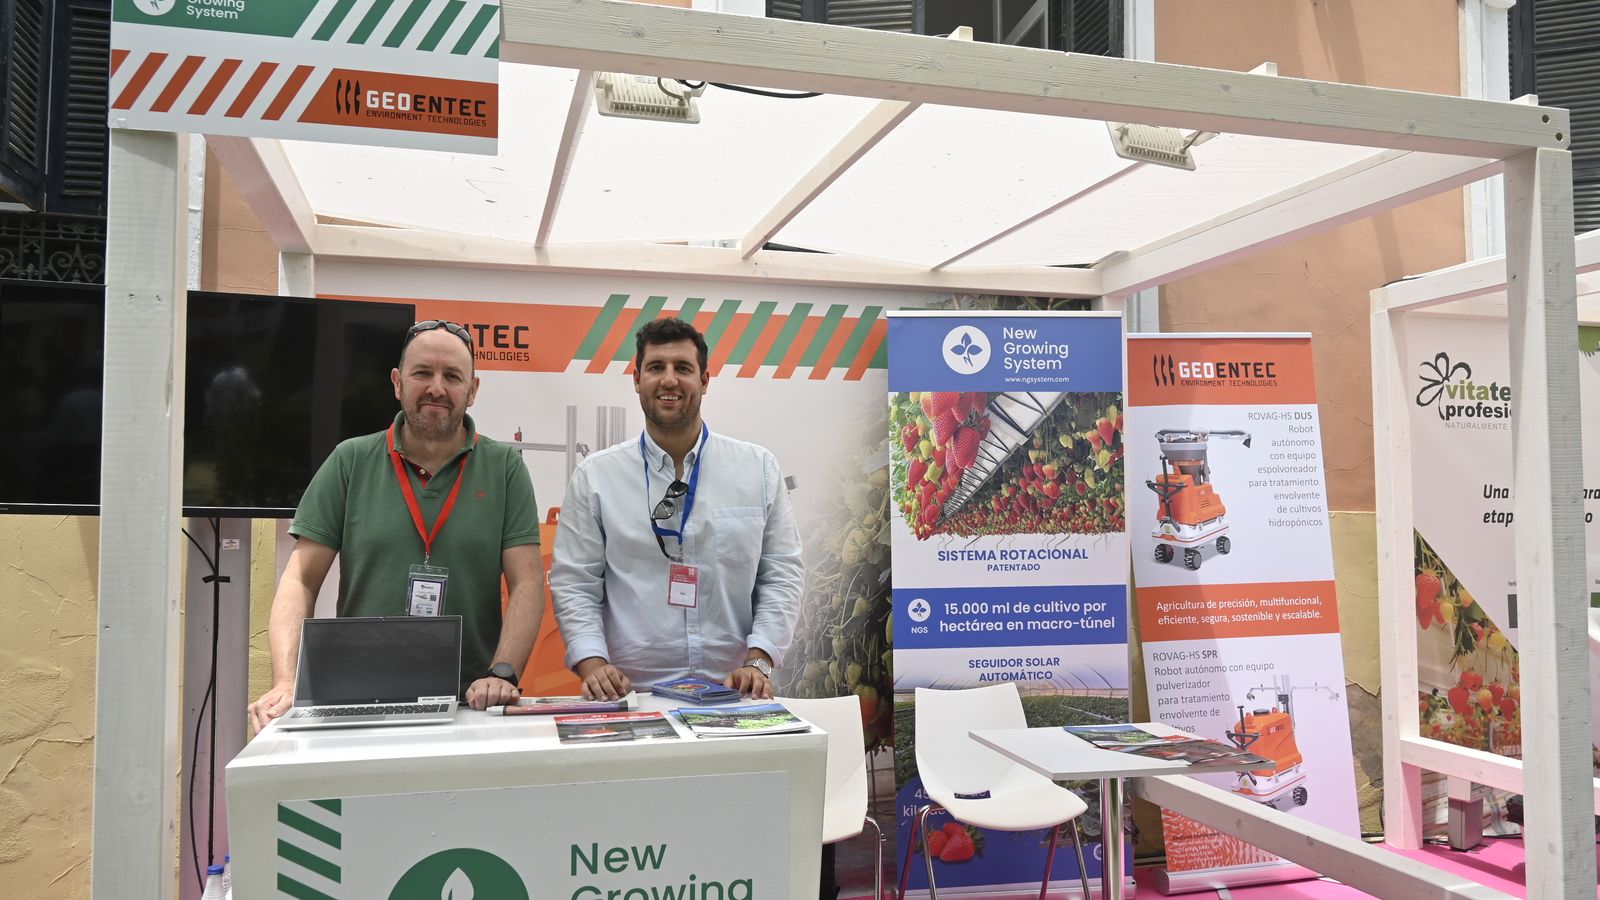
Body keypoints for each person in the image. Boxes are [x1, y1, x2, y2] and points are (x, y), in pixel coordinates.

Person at [246, 320, 544, 732]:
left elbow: (527, 582)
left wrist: (503, 674)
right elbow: (300, 579)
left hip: (468, 703)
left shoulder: (505, 468)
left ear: (472, 391)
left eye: (452, 376)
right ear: (397, 382)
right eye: (422, 372)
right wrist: (286, 680)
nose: (436, 388)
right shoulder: (350, 461)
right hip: (356, 697)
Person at [550, 317, 804, 701]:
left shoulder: (757, 468)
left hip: (734, 690)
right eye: (656, 368)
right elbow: (575, 582)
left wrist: (760, 661)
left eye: (683, 368)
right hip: (632, 695)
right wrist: (592, 663)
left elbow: (782, 573)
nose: (669, 380)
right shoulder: (596, 477)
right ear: (637, 379)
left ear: (704, 380)